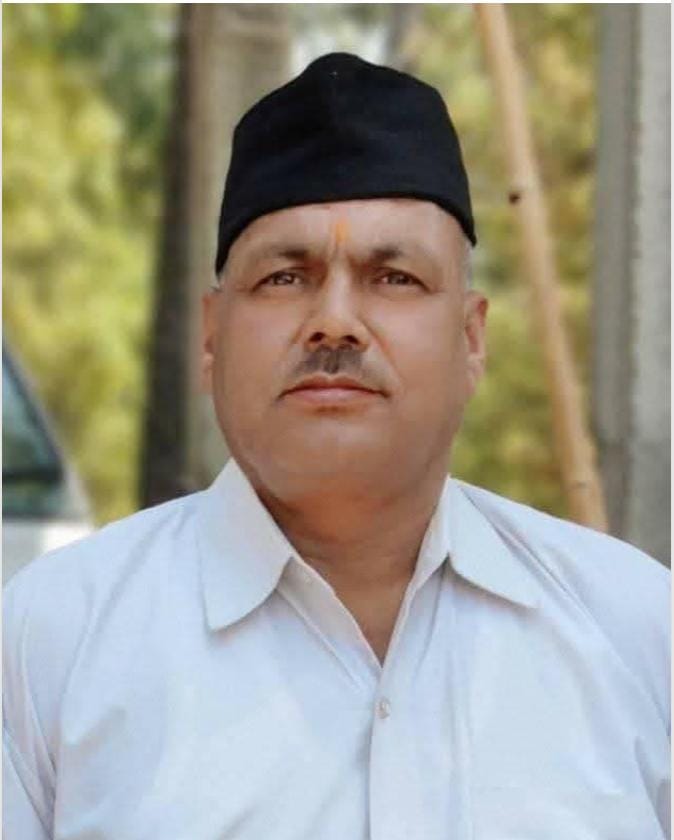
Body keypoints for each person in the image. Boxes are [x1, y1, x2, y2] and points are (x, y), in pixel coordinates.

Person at [3, 52, 669, 840]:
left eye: (394, 278)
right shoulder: (51, 641)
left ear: (471, 338)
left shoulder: (636, 632)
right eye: (286, 278)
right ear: (212, 337)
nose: (334, 322)